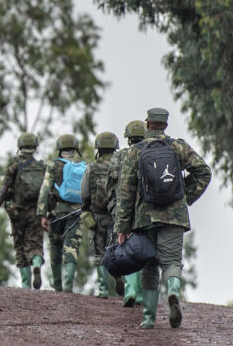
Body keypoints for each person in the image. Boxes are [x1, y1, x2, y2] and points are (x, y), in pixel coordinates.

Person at [115, 108, 211, 329]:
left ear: (148, 124)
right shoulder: (178, 147)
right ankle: (174, 292)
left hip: (143, 218)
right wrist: (186, 197)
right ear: (165, 125)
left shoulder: (135, 152)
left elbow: (126, 190)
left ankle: (148, 318)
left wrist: (122, 226)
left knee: (149, 266)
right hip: (174, 216)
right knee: (172, 262)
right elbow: (204, 172)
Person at [0, 132, 46, 289]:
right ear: (35, 147)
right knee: (35, 245)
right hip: (36, 213)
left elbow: (3, 190)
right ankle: (36, 262)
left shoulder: (14, 166)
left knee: (20, 246)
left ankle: (26, 284)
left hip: (17, 213)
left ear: (20, 147)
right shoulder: (42, 167)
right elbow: (48, 192)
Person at [37, 134, 86, 292]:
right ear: (75, 149)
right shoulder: (82, 167)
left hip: (56, 213)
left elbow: (45, 190)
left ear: (59, 149)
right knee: (72, 247)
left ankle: (57, 284)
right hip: (77, 212)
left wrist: (42, 214)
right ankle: (68, 285)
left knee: (55, 246)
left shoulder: (53, 166)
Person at [80, 131, 121, 298]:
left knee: (99, 253)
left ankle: (103, 289)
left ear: (98, 148)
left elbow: (84, 194)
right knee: (117, 251)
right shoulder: (120, 167)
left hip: (97, 218)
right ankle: (119, 277)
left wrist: (86, 209)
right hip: (116, 217)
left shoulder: (91, 169)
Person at [118, 120, 148, 308]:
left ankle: (130, 290)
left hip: (128, 209)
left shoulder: (121, 156)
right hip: (150, 211)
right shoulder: (152, 152)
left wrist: (121, 220)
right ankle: (143, 295)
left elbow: (116, 188)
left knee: (128, 250)